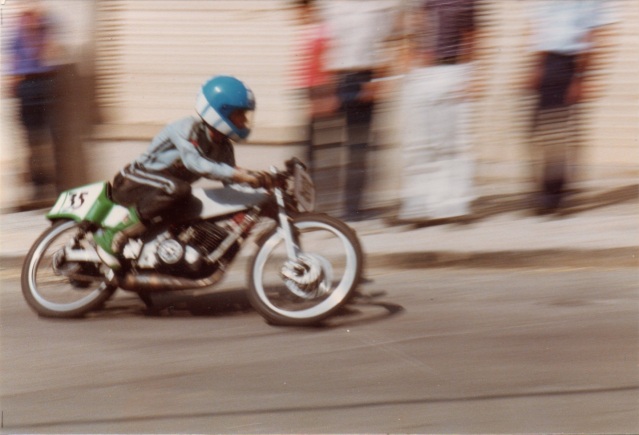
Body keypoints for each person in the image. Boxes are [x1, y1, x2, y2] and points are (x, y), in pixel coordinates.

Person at [94, 76, 270, 267]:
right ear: (221, 112)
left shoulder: (224, 147)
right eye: (239, 114)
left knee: (192, 206)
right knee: (179, 189)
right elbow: (198, 164)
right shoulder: (188, 128)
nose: (244, 121)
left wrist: (262, 184)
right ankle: (113, 234)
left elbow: (231, 184)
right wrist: (240, 174)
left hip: (160, 192)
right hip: (133, 182)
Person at [525, 1, 616, 215]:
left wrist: (581, 78)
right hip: (546, 61)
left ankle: (554, 195)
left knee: (559, 132)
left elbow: (595, 33)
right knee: (535, 130)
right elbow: (538, 26)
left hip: (570, 62)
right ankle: (548, 189)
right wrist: (535, 67)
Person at [396, 0, 478, 224]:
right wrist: (409, 61)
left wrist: (469, 75)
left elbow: (472, 35)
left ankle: (453, 204)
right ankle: (417, 205)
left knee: (451, 143)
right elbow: (410, 28)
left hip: (451, 70)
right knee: (418, 143)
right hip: (422, 72)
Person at [323, 0, 399, 221]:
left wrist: (378, 80)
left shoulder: (377, 6)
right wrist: (328, 87)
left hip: (366, 78)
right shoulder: (333, 6)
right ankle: (335, 203)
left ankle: (354, 206)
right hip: (341, 79)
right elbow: (328, 45)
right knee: (336, 144)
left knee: (360, 145)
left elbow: (385, 44)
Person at [8, 7, 60, 205]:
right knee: (31, 140)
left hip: (45, 82)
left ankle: (51, 187)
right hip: (27, 85)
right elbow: (13, 61)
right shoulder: (18, 27)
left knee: (49, 139)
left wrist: (40, 28)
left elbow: (53, 52)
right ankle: (36, 189)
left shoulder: (47, 24)